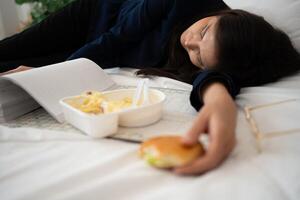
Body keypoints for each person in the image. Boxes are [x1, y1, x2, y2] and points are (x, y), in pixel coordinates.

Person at [0, 0, 300, 175]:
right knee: (9, 51)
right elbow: (115, 40)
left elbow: (212, 77)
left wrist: (218, 97)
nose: (189, 42)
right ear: (228, 15)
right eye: (204, 31)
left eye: (198, 55)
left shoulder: (211, 58)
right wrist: (51, 74)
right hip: (93, 18)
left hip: (98, 54)